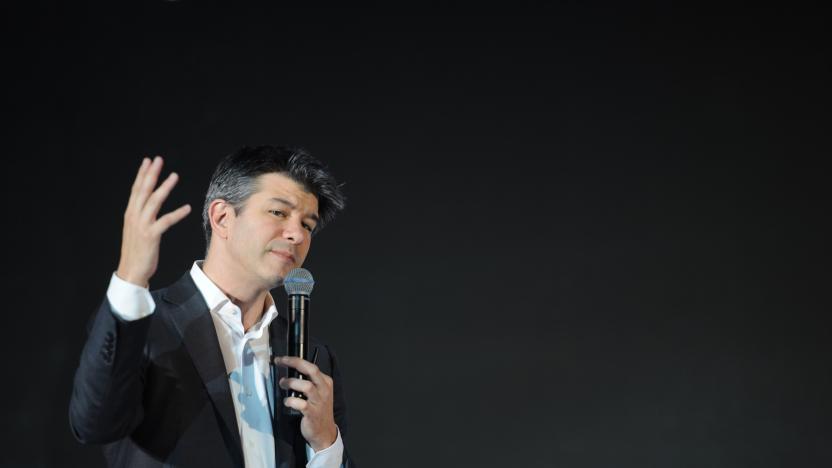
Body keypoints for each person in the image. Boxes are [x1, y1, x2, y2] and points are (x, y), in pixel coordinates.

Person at [69, 146, 355, 468]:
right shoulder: (144, 326)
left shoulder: (313, 358)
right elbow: (94, 425)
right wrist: (130, 280)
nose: (296, 235)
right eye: (279, 212)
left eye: (307, 225)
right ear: (222, 217)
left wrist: (325, 443)